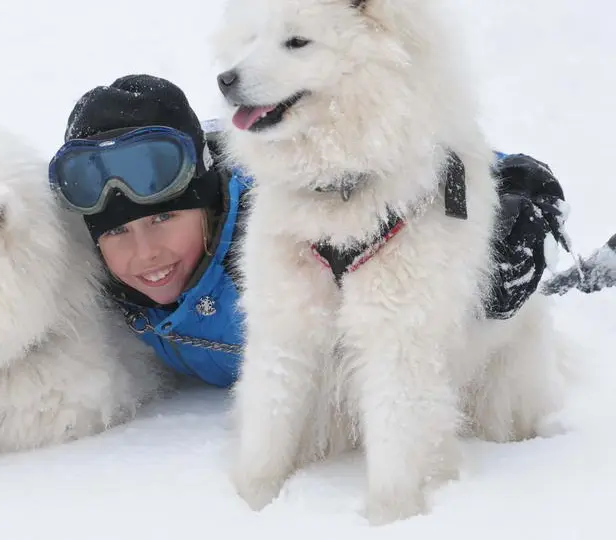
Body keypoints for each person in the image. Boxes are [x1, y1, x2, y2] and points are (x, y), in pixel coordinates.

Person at [48, 74, 573, 388]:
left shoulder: (294, 218)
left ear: (206, 204)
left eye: (164, 218)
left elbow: (432, 164)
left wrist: (517, 207)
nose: (145, 254)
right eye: (117, 234)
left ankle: (578, 286)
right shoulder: (98, 283)